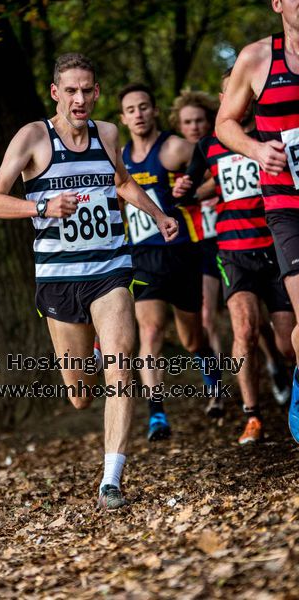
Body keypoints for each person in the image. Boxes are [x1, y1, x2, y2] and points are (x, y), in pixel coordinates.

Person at [0, 53, 179, 509]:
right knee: (79, 395)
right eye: (71, 90)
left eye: (87, 90)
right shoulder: (33, 137)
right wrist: (42, 207)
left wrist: (159, 214)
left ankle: (111, 478)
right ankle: (87, 353)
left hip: (109, 268)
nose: (80, 98)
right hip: (58, 279)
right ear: (56, 93)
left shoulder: (107, 133)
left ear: (96, 91)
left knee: (122, 360)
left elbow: (123, 183)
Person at [173, 69, 295, 444]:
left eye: (243, 96)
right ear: (225, 99)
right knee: (243, 329)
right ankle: (252, 416)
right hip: (234, 252)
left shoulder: (269, 134)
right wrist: (181, 191)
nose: (238, 103)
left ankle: (289, 389)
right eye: (229, 95)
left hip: (275, 247)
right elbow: (190, 191)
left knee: (289, 341)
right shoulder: (209, 145)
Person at [119, 83, 223, 443]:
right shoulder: (120, 158)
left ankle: (211, 372)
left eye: (144, 107)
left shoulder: (176, 147)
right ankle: (157, 413)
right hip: (144, 256)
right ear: (123, 118)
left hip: (183, 252)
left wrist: (191, 192)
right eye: (131, 109)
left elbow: (216, 173)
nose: (138, 114)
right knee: (149, 332)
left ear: (154, 110)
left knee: (192, 339)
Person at [215, 0, 299, 443]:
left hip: (271, 238)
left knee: (290, 342)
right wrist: (256, 150)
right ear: (278, 4)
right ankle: (255, 408)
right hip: (275, 218)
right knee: (249, 329)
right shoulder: (257, 58)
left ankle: (293, 376)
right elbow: (222, 127)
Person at [169, 91, 223, 356]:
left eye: (199, 120)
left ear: (209, 120)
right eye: (188, 122)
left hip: (226, 240)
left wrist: (200, 192)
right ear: (179, 126)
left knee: (254, 319)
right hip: (196, 245)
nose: (194, 127)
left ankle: (274, 365)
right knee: (206, 317)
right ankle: (216, 392)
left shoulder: (220, 146)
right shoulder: (173, 162)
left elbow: (221, 177)